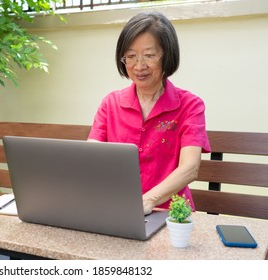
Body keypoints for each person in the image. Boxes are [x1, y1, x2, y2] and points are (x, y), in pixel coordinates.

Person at [88, 12, 211, 214]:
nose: (139, 66)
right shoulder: (110, 103)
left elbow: (190, 168)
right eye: (131, 56)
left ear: (167, 55)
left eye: (149, 55)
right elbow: (91, 156)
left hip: (171, 215)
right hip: (119, 210)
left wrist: (148, 200)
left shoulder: (190, 105)